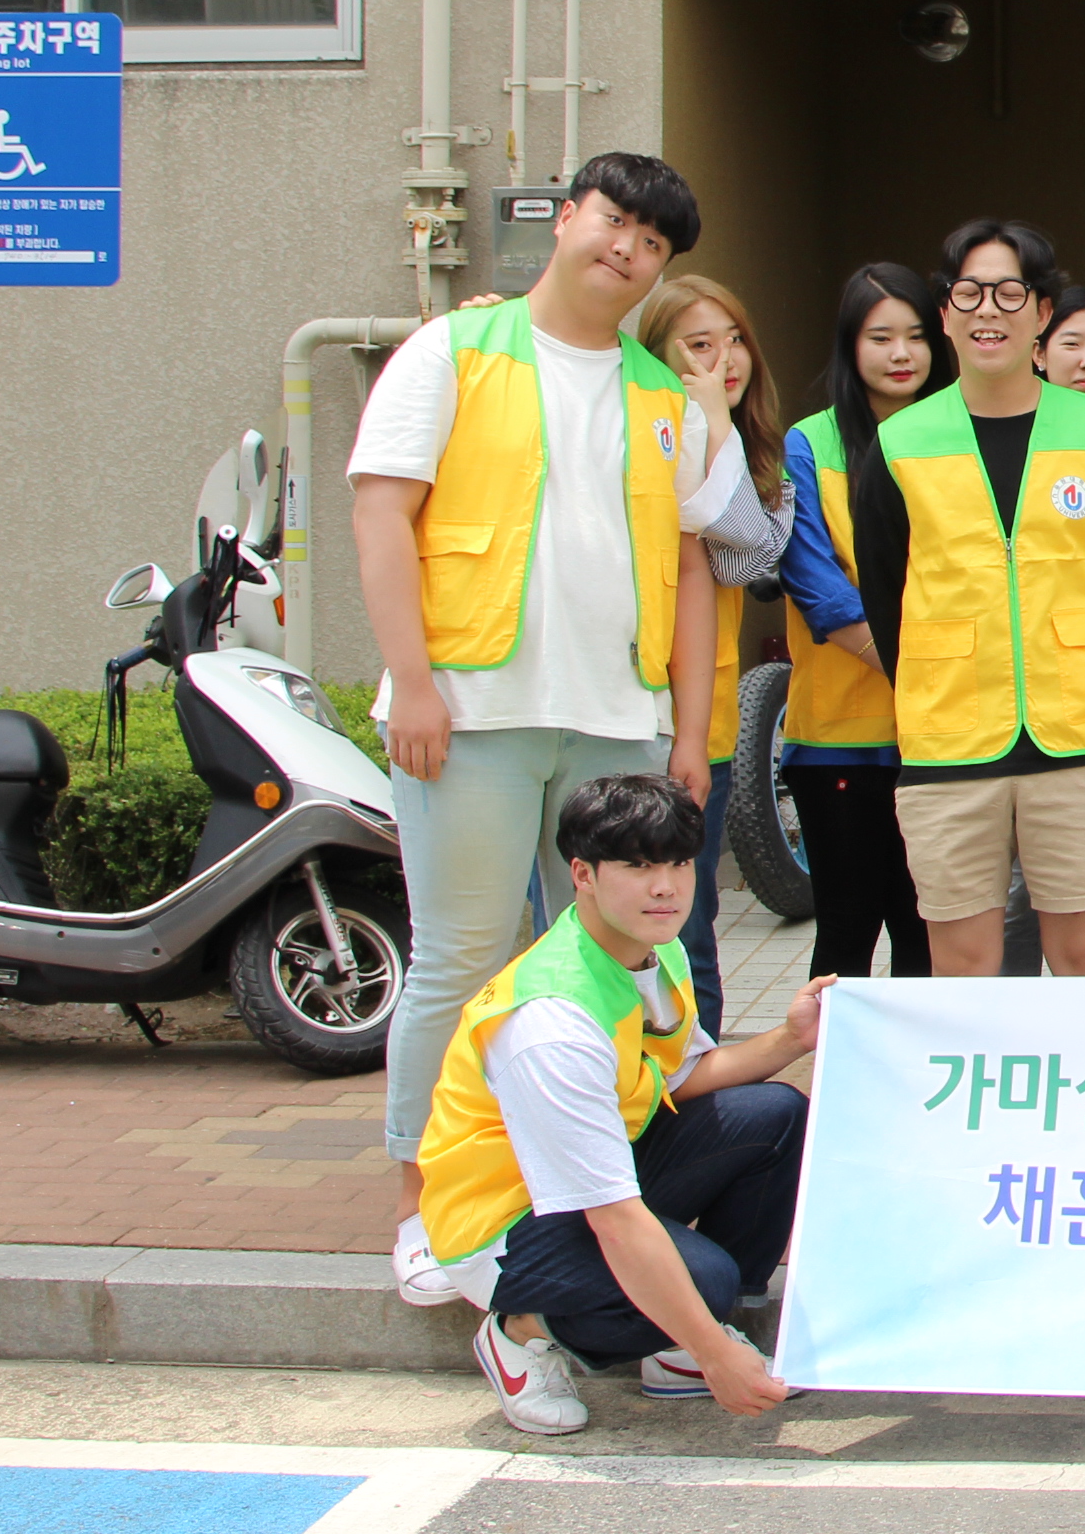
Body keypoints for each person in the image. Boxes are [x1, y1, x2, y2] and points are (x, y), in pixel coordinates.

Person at [350, 152, 726, 1309]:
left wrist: (692, 732)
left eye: (653, 243)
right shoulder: (453, 351)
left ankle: (599, 1192)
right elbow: (381, 514)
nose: (627, 250)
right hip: (470, 713)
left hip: (616, 718)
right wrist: (412, 683)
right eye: (612, 222)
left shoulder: (663, 396)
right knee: (462, 959)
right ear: (566, 221)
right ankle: (424, 1207)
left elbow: (696, 567)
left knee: (623, 963)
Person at [421, 776, 824, 1435]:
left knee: (775, 1117)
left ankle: (674, 1344)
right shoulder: (551, 1020)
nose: (664, 887)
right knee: (706, 1281)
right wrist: (719, 1353)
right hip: (505, 1225)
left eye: (675, 863)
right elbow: (614, 1219)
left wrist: (791, 1040)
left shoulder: (653, 950)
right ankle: (520, 1332)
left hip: (594, 1176)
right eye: (637, 866)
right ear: (582, 873)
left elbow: (681, 1076)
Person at [862, 218, 1085, 979]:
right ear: (946, 312)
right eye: (969, 292)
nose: (988, 309)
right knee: (962, 960)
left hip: (1077, 730)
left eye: (1009, 292)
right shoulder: (900, 441)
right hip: (951, 734)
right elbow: (885, 595)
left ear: (1043, 313)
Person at [774, 261, 950, 983]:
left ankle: (917, 1095)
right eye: (881, 338)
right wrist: (937, 669)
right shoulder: (809, 444)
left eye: (915, 336)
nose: (901, 354)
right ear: (850, 345)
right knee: (845, 934)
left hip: (944, 740)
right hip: (839, 740)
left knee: (926, 934)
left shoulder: (955, 436)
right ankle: (830, 1094)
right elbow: (822, 591)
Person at [632, 275, 795, 1037]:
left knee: (690, 920)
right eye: (699, 346)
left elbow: (744, 559)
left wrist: (718, 426)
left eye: (735, 343)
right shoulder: (632, 426)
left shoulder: (755, 444)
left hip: (704, 718)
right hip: (620, 702)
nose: (724, 361)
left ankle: (698, 1078)